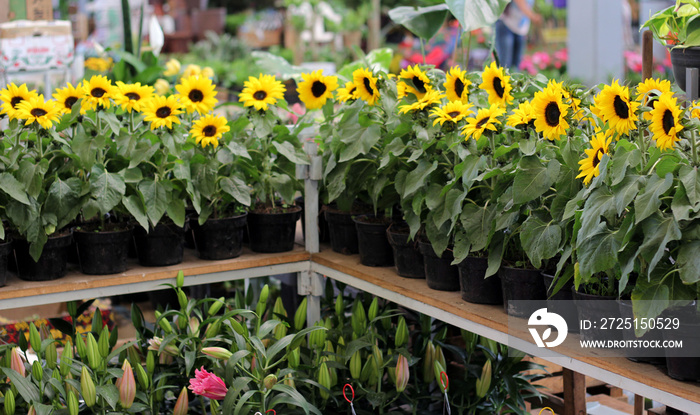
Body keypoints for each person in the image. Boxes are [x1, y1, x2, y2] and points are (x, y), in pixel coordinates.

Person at [494, 0, 542, 69]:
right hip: (506, 23)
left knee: (516, 66)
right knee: (504, 64)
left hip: (520, 28)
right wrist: (533, 16)